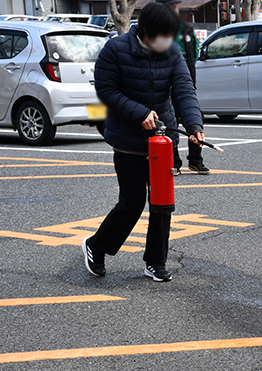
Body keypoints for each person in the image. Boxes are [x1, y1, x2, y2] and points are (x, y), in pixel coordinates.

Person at [82, 2, 205, 282]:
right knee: (132, 202)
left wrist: (195, 126)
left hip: (163, 140)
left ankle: (155, 262)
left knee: (162, 204)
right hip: (128, 139)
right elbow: (107, 92)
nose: (165, 42)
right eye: (160, 35)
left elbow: (184, 90)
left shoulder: (172, 52)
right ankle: (96, 246)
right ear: (146, 30)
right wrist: (140, 113)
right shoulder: (115, 49)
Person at [156, 0, 208, 175]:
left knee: (194, 120)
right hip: (164, 87)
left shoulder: (186, 29)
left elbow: (195, 52)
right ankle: (174, 162)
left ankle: (195, 161)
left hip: (184, 84)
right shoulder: (156, 31)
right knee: (170, 124)